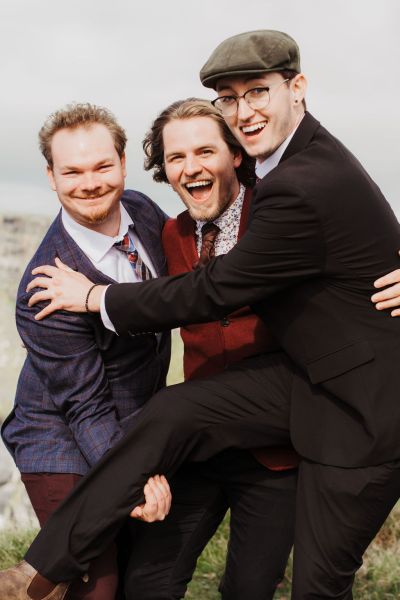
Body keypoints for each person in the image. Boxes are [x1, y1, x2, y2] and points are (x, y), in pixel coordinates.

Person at [2, 29, 400, 600]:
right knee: (175, 411)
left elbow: (217, 289)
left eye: (258, 92)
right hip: (251, 406)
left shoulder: (290, 187)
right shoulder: (164, 226)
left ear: (298, 89)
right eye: (231, 99)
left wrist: (95, 297)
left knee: (313, 586)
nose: (246, 110)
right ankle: (37, 575)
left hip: (354, 411)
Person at [125, 98, 298, 600]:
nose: (191, 167)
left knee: (249, 589)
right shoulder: (170, 234)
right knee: (147, 582)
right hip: (199, 443)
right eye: (176, 157)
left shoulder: (280, 217)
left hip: (277, 452)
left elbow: (355, 234)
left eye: (205, 151)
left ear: (236, 155)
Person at [0, 103, 172, 600]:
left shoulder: (140, 209)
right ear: (51, 177)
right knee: (97, 585)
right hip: (59, 438)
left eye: (102, 166)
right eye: (71, 171)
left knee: (139, 570)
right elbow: (85, 406)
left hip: (132, 422)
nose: (89, 182)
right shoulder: (43, 292)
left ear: (122, 164)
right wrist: (133, 477)